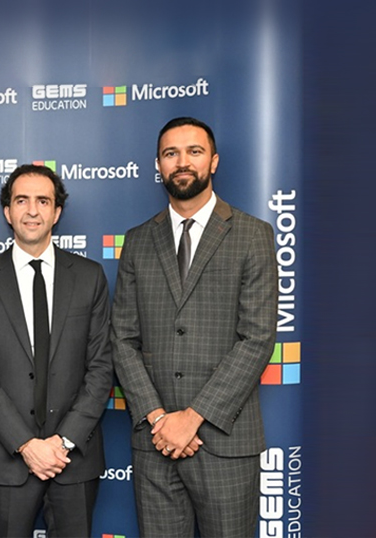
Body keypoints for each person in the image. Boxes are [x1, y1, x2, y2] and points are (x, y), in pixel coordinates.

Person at [110, 117, 278, 537]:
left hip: (225, 442)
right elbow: (123, 339)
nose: (182, 162)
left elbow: (256, 338)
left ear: (213, 161)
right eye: (171, 153)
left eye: (194, 151)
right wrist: (158, 419)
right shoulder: (137, 240)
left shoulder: (253, 234)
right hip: (155, 444)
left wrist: (192, 418)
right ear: (159, 165)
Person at [0, 164, 113, 538]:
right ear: (7, 211)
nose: (32, 210)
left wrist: (62, 442)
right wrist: (27, 445)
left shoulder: (90, 276)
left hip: (73, 460)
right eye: (21, 200)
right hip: (5, 459)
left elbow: (101, 367)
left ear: (56, 212)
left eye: (43, 201)